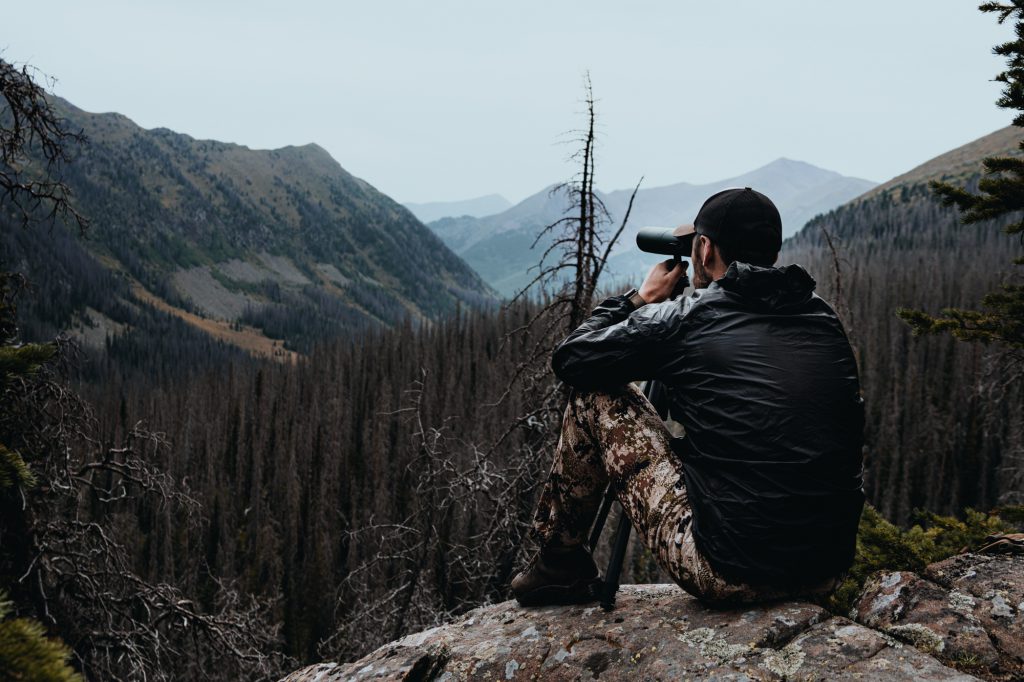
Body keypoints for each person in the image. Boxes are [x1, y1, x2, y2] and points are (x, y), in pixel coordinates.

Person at [510, 187, 865, 606]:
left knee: (596, 397)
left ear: (705, 247)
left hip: (729, 570)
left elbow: (573, 359)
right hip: (826, 569)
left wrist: (639, 299)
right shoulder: (823, 317)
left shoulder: (688, 318)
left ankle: (560, 564)